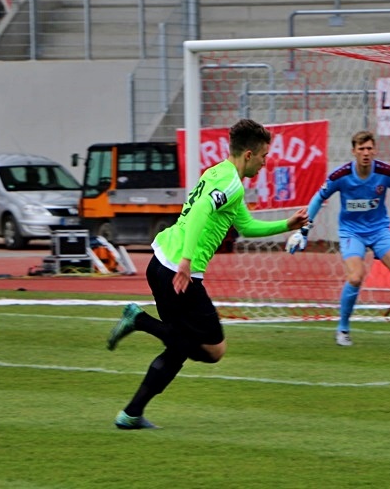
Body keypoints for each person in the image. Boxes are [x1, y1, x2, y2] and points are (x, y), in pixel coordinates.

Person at [106, 119, 309, 430]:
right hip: (178, 270)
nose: (267, 163)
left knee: (179, 348)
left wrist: (286, 225)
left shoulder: (218, 174)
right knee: (213, 349)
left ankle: (131, 414)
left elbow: (246, 226)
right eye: (265, 156)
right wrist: (187, 261)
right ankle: (139, 319)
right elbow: (200, 210)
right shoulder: (230, 183)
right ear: (249, 155)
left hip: (162, 263)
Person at [286, 130, 390, 347]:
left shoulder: (386, 172)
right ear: (354, 151)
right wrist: (304, 230)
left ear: (375, 150)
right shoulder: (340, 176)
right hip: (352, 232)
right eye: (361, 149)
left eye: (369, 148)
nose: (366, 153)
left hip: (379, 230)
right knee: (355, 277)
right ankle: (343, 329)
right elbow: (318, 198)